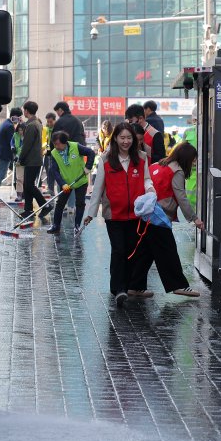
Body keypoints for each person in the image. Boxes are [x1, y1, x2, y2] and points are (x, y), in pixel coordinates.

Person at [82, 122, 154, 304]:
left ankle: (127, 285)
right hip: (113, 214)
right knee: (119, 249)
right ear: (115, 138)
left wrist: (151, 190)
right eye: (122, 137)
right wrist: (91, 213)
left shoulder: (142, 157)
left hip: (136, 213)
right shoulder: (106, 159)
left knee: (131, 251)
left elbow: (147, 179)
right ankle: (118, 289)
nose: (126, 141)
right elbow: (98, 188)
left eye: (129, 138)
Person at [129, 142, 202, 298]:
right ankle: (179, 286)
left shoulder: (159, 163)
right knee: (168, 252)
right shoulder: (177, 171)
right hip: (159, 216)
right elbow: (181, 197)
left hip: (147, 213)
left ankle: (134, 286)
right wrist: (194, 218)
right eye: (193, 160)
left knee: (145, 253)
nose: (194, 163)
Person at [46, 130, 95, 234]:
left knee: (80, 203)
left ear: (64, 142)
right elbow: (54, 170)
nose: (56, 146)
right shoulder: (54, 153)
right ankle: (56, 226)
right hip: (66, 184)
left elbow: (91, 153)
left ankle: (77, 226)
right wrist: (62, 183)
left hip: (80, 181)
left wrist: (88, 167)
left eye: (57, 144)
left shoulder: (76, 147)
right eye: (54, 144)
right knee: (60, 204)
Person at [19, 101, 51, 222]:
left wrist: (21, 158)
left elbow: (27, 145)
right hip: (35, 159)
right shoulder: (37, 123)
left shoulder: (31, 125)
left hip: (32, 160)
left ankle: (45, 205)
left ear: (27, 110)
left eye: (24, 110)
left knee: (29, 185)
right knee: (28, 185)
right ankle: (28, 210)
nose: (23, 112)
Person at [0, 108, 19, 196]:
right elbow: (11, 142)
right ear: (14, 116)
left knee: (1, 173)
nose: (19, 119)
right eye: (18, 117)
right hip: (5, 153)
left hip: (2, 152)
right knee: (1, 174)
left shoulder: (6, 123)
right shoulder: (10, 126)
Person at [41, 112, 57, 196]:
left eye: (51, 121)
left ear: (55, 120)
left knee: (54, 170)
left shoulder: (57, 128)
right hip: (47, 153)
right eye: (48, 121)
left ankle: (55, 188)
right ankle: (50, 189)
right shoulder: (46, 129)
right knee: (48, 171)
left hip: (55, 152)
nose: (49, 123)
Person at [11, 121, 25, 202]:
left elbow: (23, 149)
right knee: (19, 178)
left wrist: (18, 156)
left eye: (22, 130)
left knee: (26, 179)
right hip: (18, 160)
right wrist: (12, 147)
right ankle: (19, 195)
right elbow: (12, 142)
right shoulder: (15, 135)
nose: (20, 132)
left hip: (26, 159)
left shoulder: (27, 137)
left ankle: (25, 194)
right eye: (19, 130)